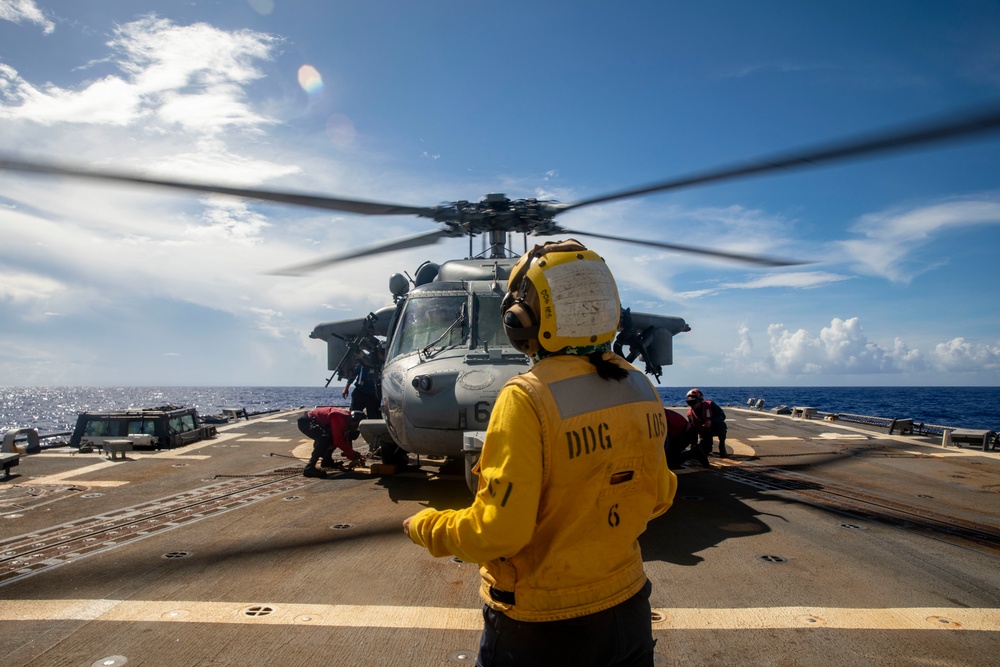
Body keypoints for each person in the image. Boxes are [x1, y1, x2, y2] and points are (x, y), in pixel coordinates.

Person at [403, 240, 677, 667]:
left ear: (521, 319)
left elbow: (499, 533)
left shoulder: (528, 399)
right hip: (628, 607)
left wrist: (429, 527)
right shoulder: (640, 386)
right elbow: (660, 496)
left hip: (542, 625)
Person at [296, 406, 365, 478]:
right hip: (306, 421)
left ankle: (327, 460)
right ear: (354, 420)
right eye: (356, 426)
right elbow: (338, 440)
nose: (355, 428)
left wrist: (351, 455)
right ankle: (309, 467)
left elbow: (344, 439)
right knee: (324, 438)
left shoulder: (346, 419)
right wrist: (352, 454)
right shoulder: (340, 417)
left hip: (311, 420)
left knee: (330, 436)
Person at [342, 346, 383, 420]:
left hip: (374, 395)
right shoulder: (365, 359)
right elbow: (354, 375)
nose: (384, 356)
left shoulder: (385, 363)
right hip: (360, 392)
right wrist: (346, 388)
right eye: (383, 354)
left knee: (374, 419)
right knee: (354, 416)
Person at [685, 388, 728, 458]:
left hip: (714, 427)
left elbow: (722, 416)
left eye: (694, 402)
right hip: (704, 433)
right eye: (689, 403)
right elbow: (693, 430)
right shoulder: (690, 414)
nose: (692, 405)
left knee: (722, 426)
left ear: (700, 401)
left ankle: (722, 446)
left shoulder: (710, 405)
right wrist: (693, 445)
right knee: (705, 451)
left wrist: (712, 421)